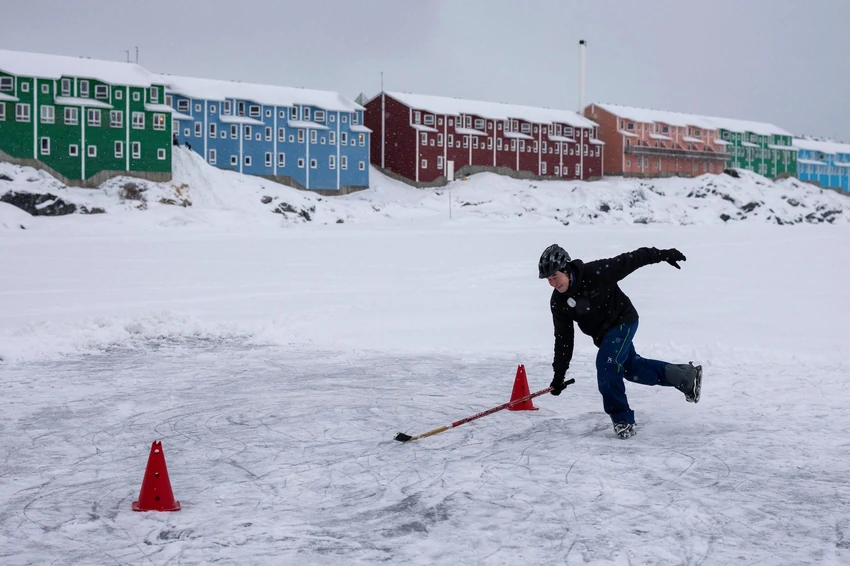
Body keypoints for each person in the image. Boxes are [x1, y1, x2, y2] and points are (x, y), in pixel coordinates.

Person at [539, 244, 702, 439]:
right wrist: (559, 375)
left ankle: (622, 419)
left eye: (555, 277)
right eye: (549, 280)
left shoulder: (596, 273)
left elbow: (632, 259)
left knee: (607, 365)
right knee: (632, 369)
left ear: (566, 269)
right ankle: (686, 377)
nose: (553, 284)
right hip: (604, 336)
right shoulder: (558, 302)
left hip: (623, 321)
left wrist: (664, 254)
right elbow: (563, 339)